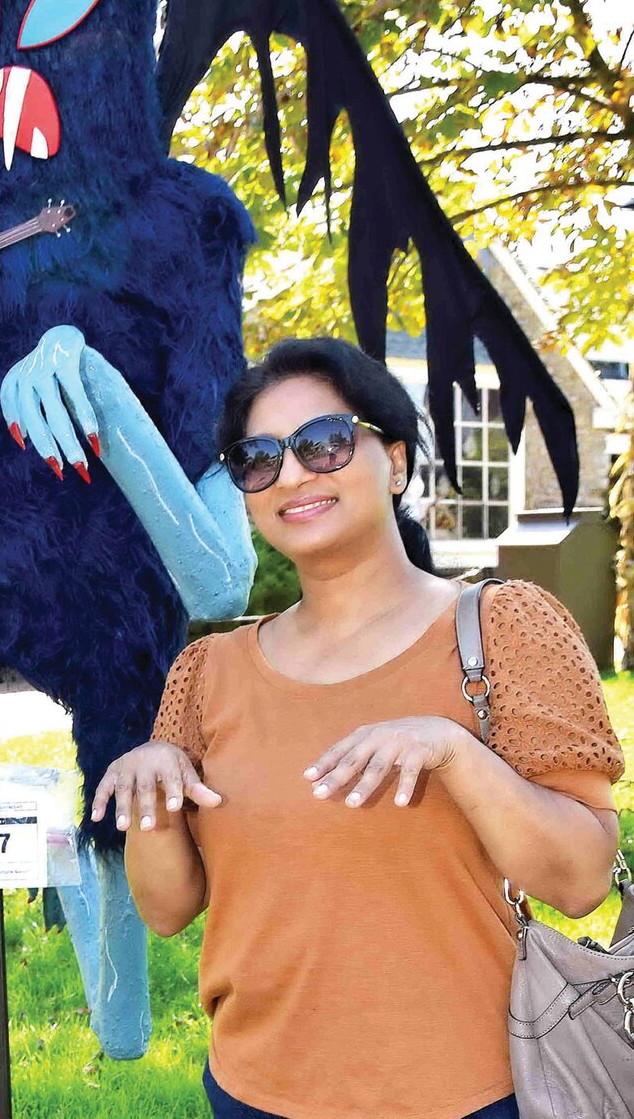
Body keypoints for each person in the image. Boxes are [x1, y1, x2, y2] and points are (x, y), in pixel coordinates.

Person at [91, 337, 624, 1119]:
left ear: (396, 462)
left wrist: (454, 751)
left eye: (325, 443)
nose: (294, 474)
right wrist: (151, 792)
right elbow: (168, 909)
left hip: (472, 1092)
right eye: (259, 457)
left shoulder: (505, 627)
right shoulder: (208, 671)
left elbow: (581, 881)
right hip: (254, 1091)